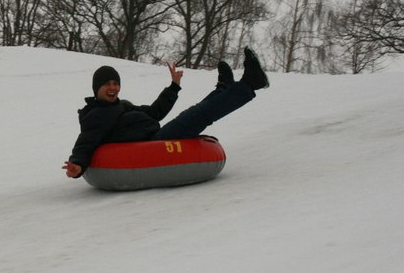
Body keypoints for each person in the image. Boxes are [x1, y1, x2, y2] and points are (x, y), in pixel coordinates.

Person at [63, 47, 269, 179]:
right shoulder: (96, 115)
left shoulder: (121, 105)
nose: (112, 88)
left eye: (115, 83)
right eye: (107, 84)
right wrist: (77, 165)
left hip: (157, 137)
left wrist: (173, 86)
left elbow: (155, 112)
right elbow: (86, 141)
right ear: (96, 88)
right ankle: (249, 84)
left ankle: (224, 89)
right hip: (152, 143)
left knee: (193, 113)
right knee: (197, 115)